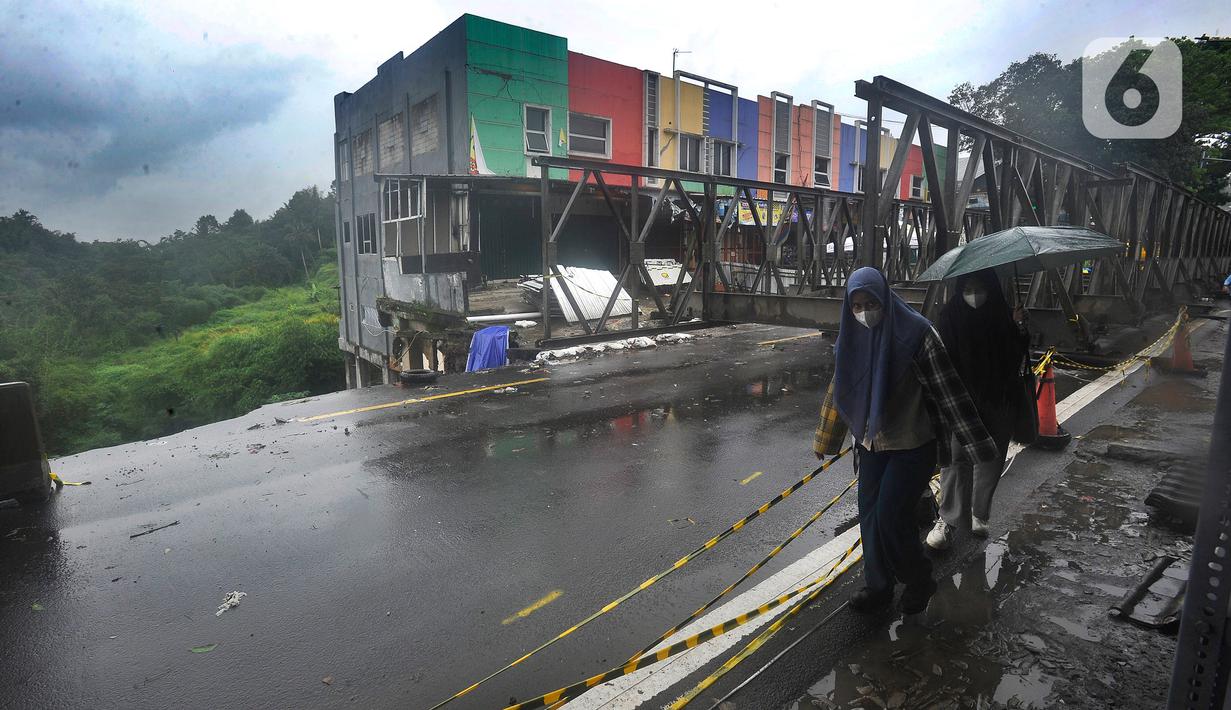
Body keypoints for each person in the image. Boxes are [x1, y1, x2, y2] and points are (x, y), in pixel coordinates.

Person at [814, 267, 999, 614]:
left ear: (885, 298)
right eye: (856, 305)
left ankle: (918, 578)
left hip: (913, 443)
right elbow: (841, 390)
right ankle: (878, 587)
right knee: (869, 517)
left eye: (871, 303)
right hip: (871, 444)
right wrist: (826, 439)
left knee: (890, 517)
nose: (864, 311)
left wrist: (978, 447)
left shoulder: (918, 335)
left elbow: (950, 393)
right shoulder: (852, 337)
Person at [926, 270, 1030, 550]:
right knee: (956, 459)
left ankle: (980, 513)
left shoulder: (1003, 315)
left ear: (991, 289)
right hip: (962, 400)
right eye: (968, 288)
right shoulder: (950, 316)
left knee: (992, 458)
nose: (973, 294)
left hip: (998, 398)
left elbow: (1015, 357)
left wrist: (1018, 328)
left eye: (980, 287)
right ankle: (948, 519)